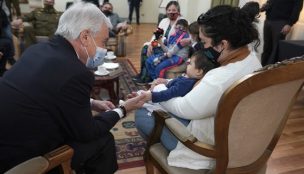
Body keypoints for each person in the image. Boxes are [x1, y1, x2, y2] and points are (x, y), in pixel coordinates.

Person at [0, 2, 145, 174]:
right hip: (22, 160)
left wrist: (90, 102)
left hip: (6, 141)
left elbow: (48, 91)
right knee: (103, 140)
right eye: (104, 42)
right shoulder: (76, 72)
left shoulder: (37, 49)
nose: (104, 49)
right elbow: (87, 132)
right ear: (85, 37)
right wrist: (123, 109)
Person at [134, 5, 262, 170]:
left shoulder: (220, 79)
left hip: (207, 147)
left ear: (223, 44)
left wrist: (156, 92)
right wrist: (167, 84)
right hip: (237, 136)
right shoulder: (252, 58)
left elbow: (184, 107)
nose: (201, 47)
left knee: (143, 112)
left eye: (204, 42)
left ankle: (162, 154)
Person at [132, 1, 186, 84]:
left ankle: (146, 78)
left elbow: (178, 39)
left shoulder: (182, 22)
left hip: (172, 49)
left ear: (178, 11)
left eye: (174, 10)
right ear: (166, 11)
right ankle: (142, 74)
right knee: (146, 48)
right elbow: (157, 34)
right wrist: (152, 44)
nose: (171, 12)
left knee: (149, 51)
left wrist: (160, 42)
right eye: (169, 10)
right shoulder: (164, 21)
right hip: (162, 44)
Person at [141, 50, 219, 105]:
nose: (187, 65)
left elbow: (169, 93)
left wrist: (152, 96)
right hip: (161, 93)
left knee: (142, 99)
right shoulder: (188, 79)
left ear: (199, 71)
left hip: (161, 100)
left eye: (190, 63)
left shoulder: (186, 84)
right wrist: (166, 81)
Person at [260, 0, 303, 66]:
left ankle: (269, 71)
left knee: (276, 49)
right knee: (266, 47)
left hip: (281, 22)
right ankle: (261, 68)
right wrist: (265, 6)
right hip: (268, 20)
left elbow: (297, 8)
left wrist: (289, 24)